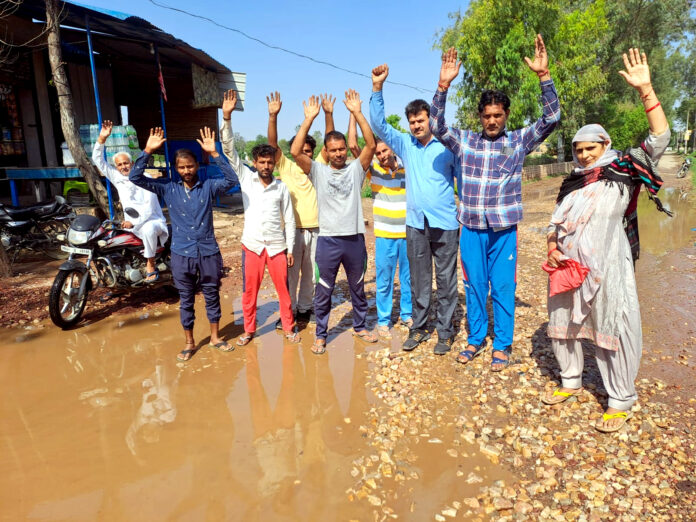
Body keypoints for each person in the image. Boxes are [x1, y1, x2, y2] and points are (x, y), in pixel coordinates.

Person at [542, 49, 670, 433]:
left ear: (605, 145)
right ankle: (570, 381)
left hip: (610, 267)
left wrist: (646, 89)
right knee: (562, 321)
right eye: (579, 150)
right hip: (568, 267)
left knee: (614, 323)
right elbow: (555, 223)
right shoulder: (572, 183)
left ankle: (620, 398)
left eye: (590, 149)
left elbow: (660, 137)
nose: (583, 156)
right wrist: (552, 247)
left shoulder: (624, 169)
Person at [431, 34, 560, 370]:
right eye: (487, 115)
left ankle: (502, 345)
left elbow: (551, 120)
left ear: (506, 115)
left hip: (503, 230)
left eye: (498, 115)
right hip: (472, 229)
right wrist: (443, 86)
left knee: (503, 286)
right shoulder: (464, 141)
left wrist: (544, 78)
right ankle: (476, 339)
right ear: (480, 116)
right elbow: (435, 125)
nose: (492, 121)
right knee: (474, 286)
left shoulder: (517, 141)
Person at [369, 65, 459, 355]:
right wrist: (377, 88)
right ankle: (419, 328)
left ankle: (444, 333)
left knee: (445, 281)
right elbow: (379, 125)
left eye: (420, 120)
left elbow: (463, 179)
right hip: (415, 224)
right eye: (412, 122)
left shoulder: (448, 145)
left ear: (430, 120)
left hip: (445, 223)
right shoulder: (405, 144)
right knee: (420, 280)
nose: (416, 126)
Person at [129, 126, 238, 361]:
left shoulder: (209, 187)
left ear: (197, 166)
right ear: (176, 169)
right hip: (182, 254)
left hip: (208, 251)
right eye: (182, 167)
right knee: (186, 299)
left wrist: (215, 154)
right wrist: (147, 150)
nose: (187, 171)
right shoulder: (167, 187)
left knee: (211, 294)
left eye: (190, 166)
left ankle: (215, 337)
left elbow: (232, 179)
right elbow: (135, 177)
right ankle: (189, 342)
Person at [292, 91, 377, 354]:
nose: (339, 153)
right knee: (324, 290)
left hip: (354, 240)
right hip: (327, 241)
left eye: (342, 149)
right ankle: (321, 335)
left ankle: (360, 326)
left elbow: (371, 146)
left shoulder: (355, 169)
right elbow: (295, 151)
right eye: (334, 150)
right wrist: (308, 120)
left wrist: (357, 112)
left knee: (357, 288)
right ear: (326, 153)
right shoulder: (317, 171)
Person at [219, 90, 299, 346]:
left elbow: (290, 219)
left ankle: (289, 327)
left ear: (274, 164)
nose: (266, 166)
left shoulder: (282, 188)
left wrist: (290, 248)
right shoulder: (246, 179)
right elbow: (229, 151)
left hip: (277, 246)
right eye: (262, 162)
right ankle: (249, 330)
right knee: (249, 291)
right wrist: (227, 118)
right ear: (254, 162)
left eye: (269, 162)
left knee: (284, 292)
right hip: (252, 245)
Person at [266, 92, 335, 326]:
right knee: (290, 275)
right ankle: (289, 312)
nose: (305, 155)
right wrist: (273, 116)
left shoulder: (319, 167)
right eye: (301, 151)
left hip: (318, 230)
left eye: (308, 151)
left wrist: (327, 114)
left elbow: (330, 142)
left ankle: (306, 308)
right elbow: (272, 146)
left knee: (312, 274)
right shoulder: (286, 167)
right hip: (293, 231)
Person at [347, 115, 411, 338]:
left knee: (407, 278)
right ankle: (384, 319)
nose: (382, 156)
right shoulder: (372, 170)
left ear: (392, 148)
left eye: (385, 151)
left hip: (407, 234)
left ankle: (407, 314)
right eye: (378, 153)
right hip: (384, 235)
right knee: (384, 280)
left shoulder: (407, 167)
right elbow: (353, 145)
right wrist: (354, 114)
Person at [92, 120, 168, 282]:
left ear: (132, 164)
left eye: (126, 163)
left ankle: (151, 264)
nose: (123, 167)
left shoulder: (146, 179)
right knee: (109, 240)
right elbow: (97, 160)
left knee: (148, 229)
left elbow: (149, 208)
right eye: (119, 165)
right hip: (130, 224)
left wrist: (134, 222)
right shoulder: (118, 178)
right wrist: (102, 139)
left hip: (152, 222)